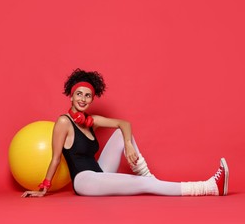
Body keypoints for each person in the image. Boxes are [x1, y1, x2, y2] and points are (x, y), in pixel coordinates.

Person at [22, 68, 229, 197]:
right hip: (85, 181)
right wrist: (44, 187)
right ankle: (208, 187)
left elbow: (124, 124)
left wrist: (128, 145)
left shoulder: (91, 121)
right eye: (79, 94)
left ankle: (149, 178)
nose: (83, 99)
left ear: (92, 100)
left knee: (123, 134)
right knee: (143, 184)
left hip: (99, 173)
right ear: (71, 97)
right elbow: (56, 158)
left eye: (87, 96)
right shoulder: (63, 122)